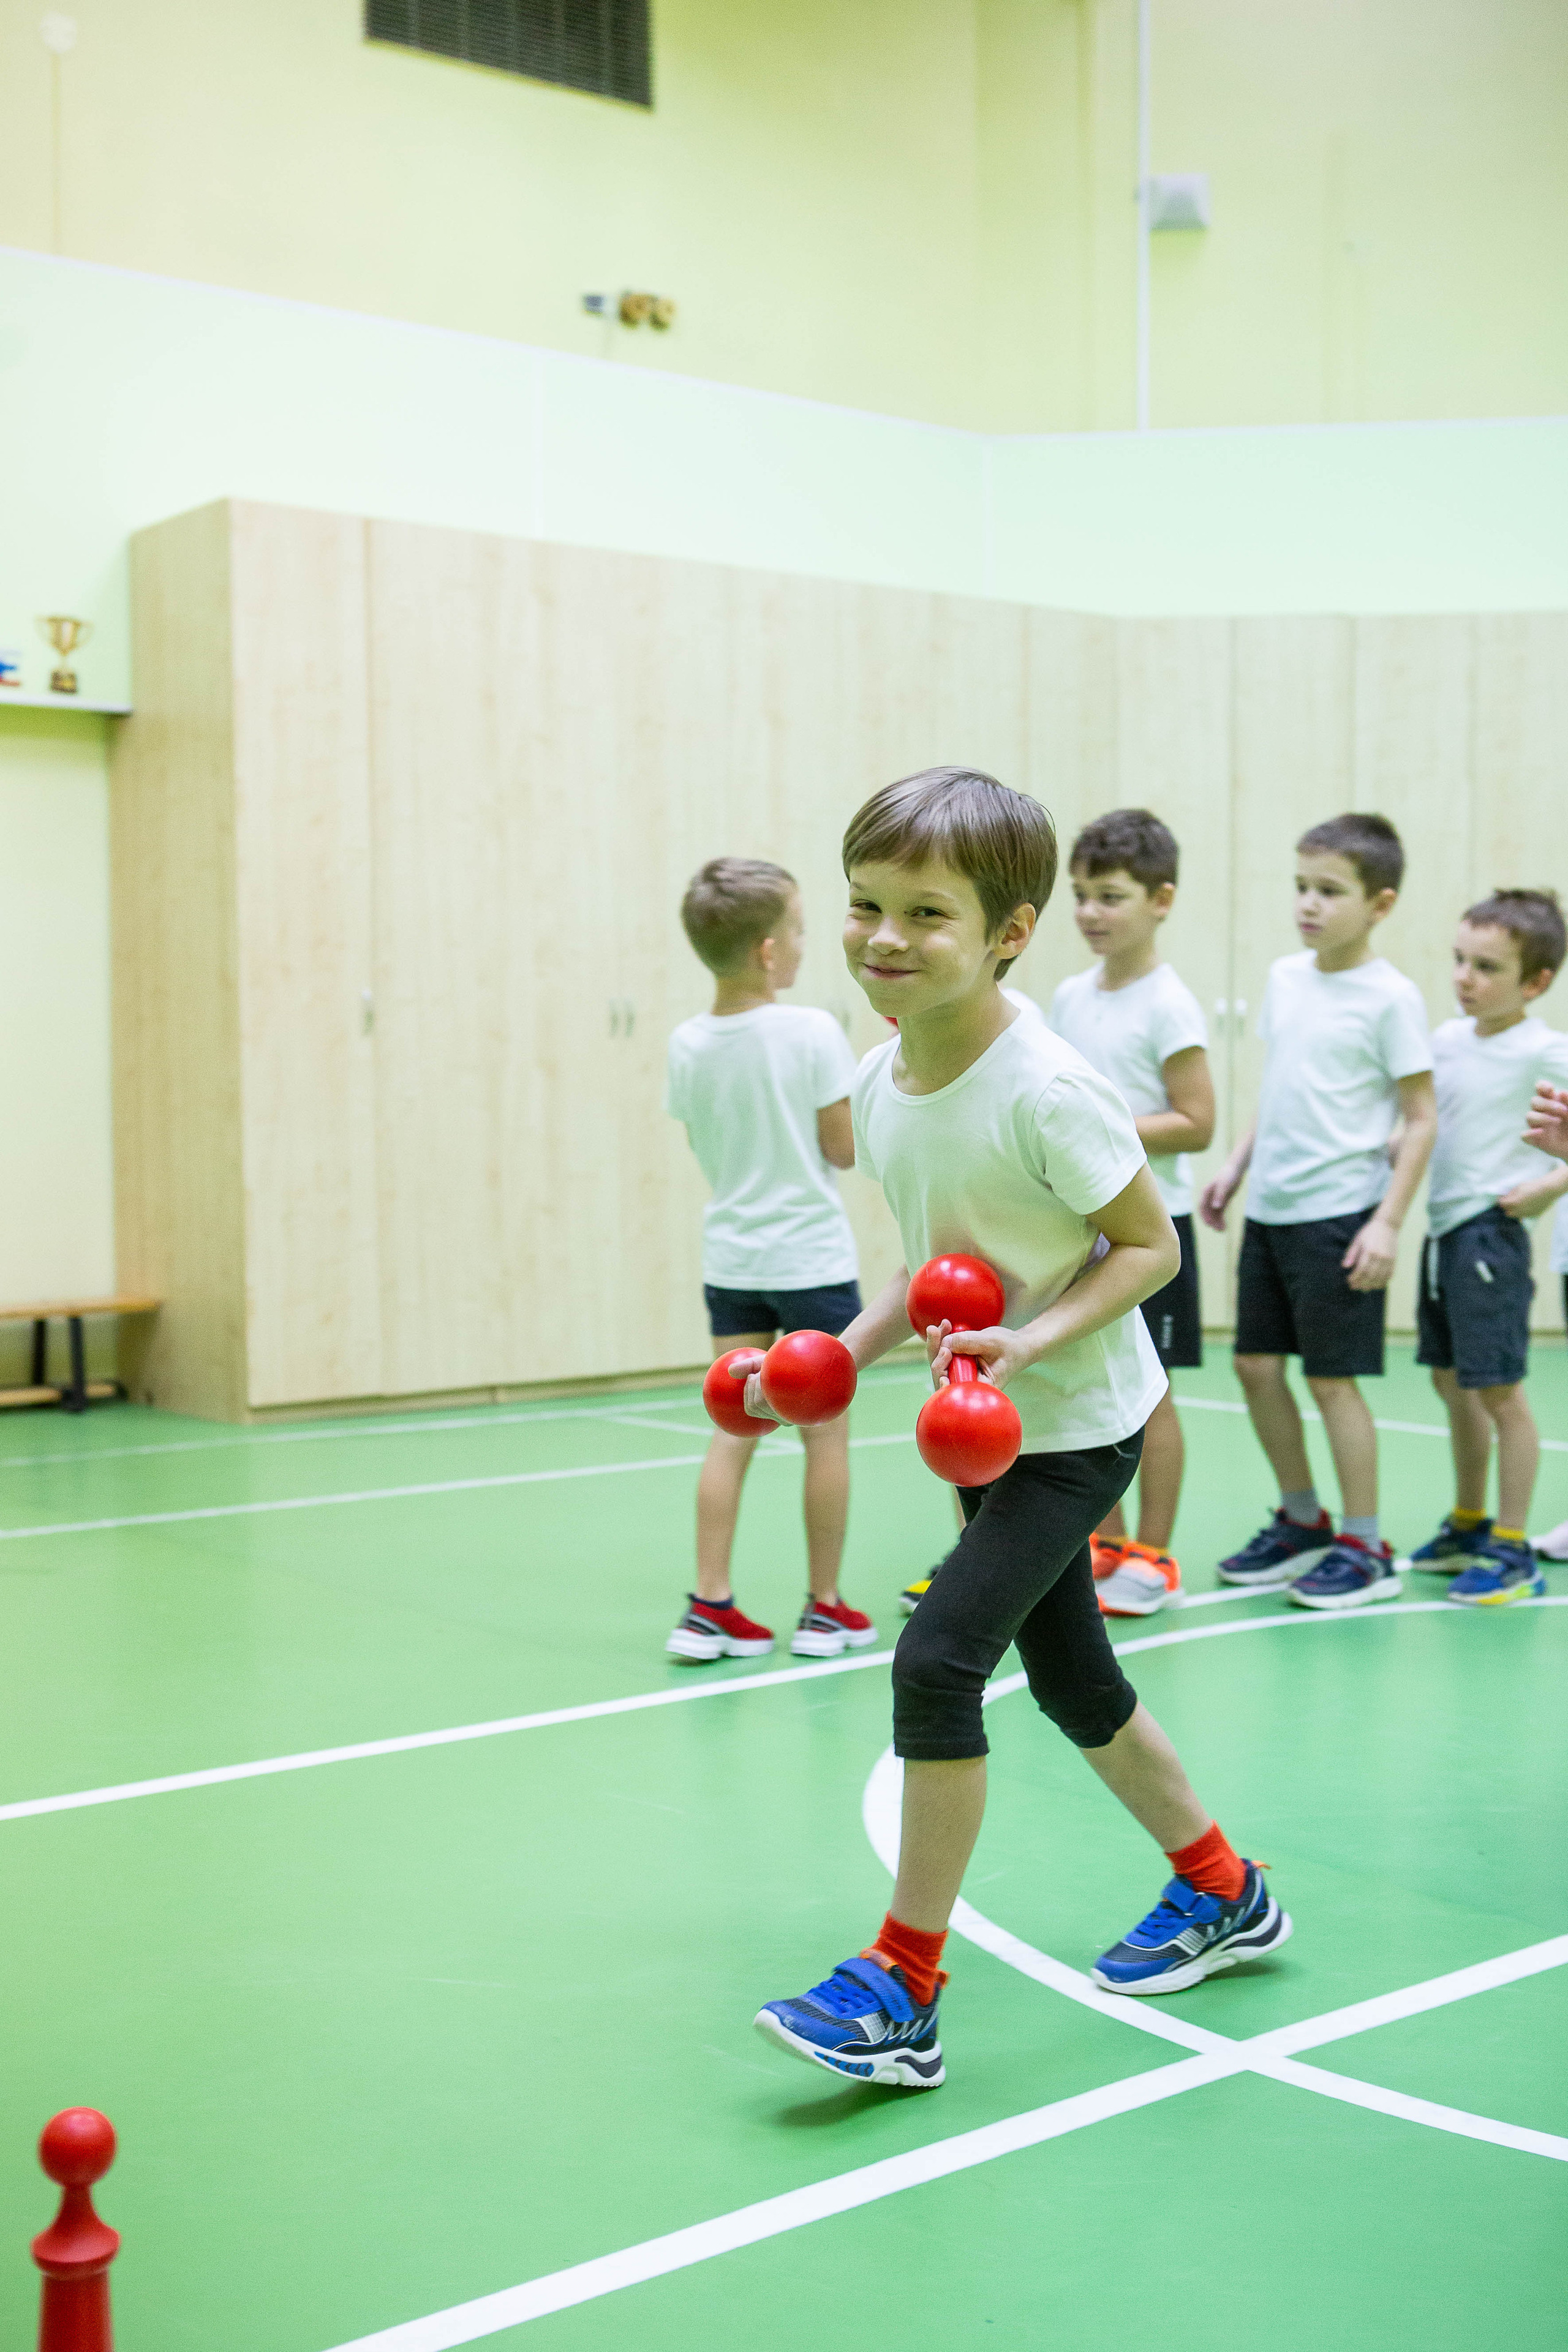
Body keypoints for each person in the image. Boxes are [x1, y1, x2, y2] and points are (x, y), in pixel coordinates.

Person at [750, 767, 1290, 2089]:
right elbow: (933, 1275)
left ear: (1007, 933)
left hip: (1070, 1430)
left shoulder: (1046, 1089)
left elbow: (1146, 1248)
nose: (881, 938)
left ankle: (903, 1983)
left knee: (934, 1665)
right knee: (1070, 1682)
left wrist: (1030, 1343)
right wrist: (822, 1363)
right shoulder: (882, 1084)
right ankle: (1223, 1889)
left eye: (923, 914)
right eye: (864, 904)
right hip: (981, 1429)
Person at [1200, 813, 1437, 1608]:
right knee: (1254, 1365)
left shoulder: (1392, 998)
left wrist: (1388, 1222)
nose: (1308, 904)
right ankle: (1303, 1520)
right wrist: (1236, 1165)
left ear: (1380, 902)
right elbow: (1282, 1088)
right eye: (1302, 887)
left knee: (1333, 1381)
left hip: (1341, 1214)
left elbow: (1422, 1115)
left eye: (1329, 891)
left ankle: (1365, 1545)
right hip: (1271, 1208)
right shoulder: (1285, 978)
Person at [665, 857, 876, 1664]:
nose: (803, 943)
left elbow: (704, 1145)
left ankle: (708, 1605)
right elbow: (843, 1149)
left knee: (734, 1428)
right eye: (795, 929)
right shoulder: (812, 1031)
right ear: (765, 950)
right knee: (825, 1440)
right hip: (812, 1262)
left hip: (734, 1258)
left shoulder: (688, 1042)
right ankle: (825, 1610)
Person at [1049, 809, 1213, 1616]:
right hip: (1088, 1232)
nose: (1089, 912)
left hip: (1156, 1231)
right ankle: (1104, 1540)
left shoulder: (1169, 1003)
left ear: (1161, 899)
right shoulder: (1068, 996)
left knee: (1153, 1397)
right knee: (1099, 1390)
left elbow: (1197, 1120)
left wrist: (1102, 1130)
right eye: (1081, 895)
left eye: (1109, 896)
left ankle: (1153, 1552)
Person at [1403, 892, 1568, 1600]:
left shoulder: (1546, 1050)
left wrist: (1550, 1187)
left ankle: (1512, 1546)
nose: (1465, 978)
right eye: (1460, 961)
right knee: (1451, 1381)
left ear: (1535, 982)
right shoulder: (1444, 1039)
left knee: (1500, 1391)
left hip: (1490, 1234)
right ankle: (1469, 1522)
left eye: (1487, 967)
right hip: (1442, 1233)